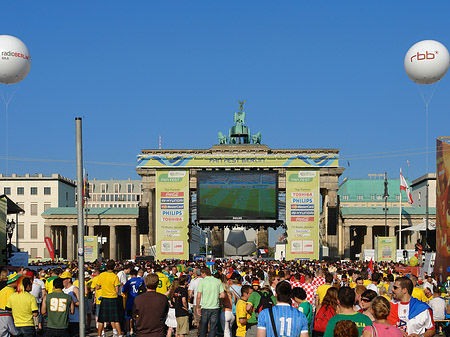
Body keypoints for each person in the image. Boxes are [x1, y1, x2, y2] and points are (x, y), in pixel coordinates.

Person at [96, 260, 123, 337]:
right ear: (114, 267)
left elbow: (97, 287)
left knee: (101, 319)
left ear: (106, 266)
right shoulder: (115, 276)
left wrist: (103, 286)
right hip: (113, 298)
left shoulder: (102, 275)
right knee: (115, 319)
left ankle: (99, 335)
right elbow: (117, 290)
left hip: (104, 298)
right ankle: (120, 334)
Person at [196, 267, 225, 337]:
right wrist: (215, 296)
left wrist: (197, 307)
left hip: (205, 307)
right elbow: (223, 295)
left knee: (203, 326)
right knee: (213, 327)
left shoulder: (202, 281)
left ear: (204, 273)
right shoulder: (217, 281)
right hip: (215, 307)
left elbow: (198, 296)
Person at [122, 268, 145, 337]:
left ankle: (128, 332)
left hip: (130, 301)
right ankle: (139, 331)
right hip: (139, 301)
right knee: (139, 316)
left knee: (128, 318)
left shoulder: (129, 281)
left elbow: (123, 290)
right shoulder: (141, 280)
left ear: (131, 275)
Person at [61, 271, 80, 337]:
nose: (62, 281)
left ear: (69, 280)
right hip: (65, 319)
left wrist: (71, 304)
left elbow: (80, 303)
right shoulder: (62, 290)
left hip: (75, 319)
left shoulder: (74, 289)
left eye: (63, 279)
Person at [188, 268, 203, 334]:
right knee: (206, 320)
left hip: (196, 302)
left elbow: (190, 293)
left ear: (196, 274)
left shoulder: (193, 281)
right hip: (206, 302)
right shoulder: (205, 280)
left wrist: (191, 296)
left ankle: (200, 333)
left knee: (198, 320)